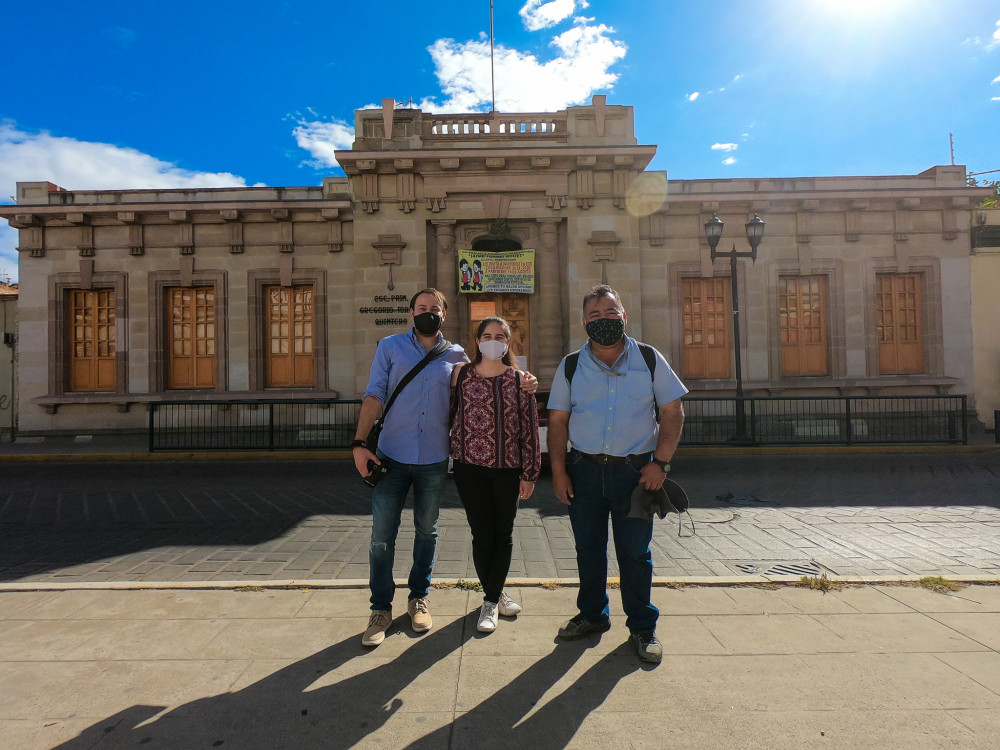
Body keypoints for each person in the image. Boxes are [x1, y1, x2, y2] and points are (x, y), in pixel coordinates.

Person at [351, 289, 537, 648]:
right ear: (411, 312)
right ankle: (380, 609)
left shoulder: (456, 358)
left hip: (434, 459)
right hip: (391, 455)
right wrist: (359, 444)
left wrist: (524, 379)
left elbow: (488, 376)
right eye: (421, 308)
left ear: (444, 315)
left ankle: (419, 598)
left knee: (427, 532)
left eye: (434, 309)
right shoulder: (389, 346)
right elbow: (374, 392)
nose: (427, 313)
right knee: (381, 537)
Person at [546, 284, 687, 663]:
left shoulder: (649, 359)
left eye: (611, 314)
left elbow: (673, 412)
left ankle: (643, 628)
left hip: (635, 476)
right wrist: (558, 471)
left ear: (624, 316)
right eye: (595, 316)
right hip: (584, 473)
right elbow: (557, 421)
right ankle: (592, 616)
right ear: (583, 322)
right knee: (588, 551)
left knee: (635, 555)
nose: (604, 321)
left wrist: (660, 464)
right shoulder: (571, 365)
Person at [449, 316, 541, 633]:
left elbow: (529, 429)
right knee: (482, 533)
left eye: (500, 336)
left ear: (508, 342)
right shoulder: (461, 375)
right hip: (468, 468)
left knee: (503, 534)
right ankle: (495, 595)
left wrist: (530, 473)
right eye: (486, 335)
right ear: (477, 341)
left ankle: (489, 600)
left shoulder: (520, 380)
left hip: (507, 469)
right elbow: (448, 414)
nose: (493, 340)